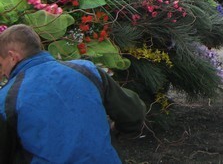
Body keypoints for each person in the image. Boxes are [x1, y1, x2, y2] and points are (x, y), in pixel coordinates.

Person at [0, 24, 146, 163]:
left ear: (13, 56)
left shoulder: (7, 99)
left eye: (1, 64)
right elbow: (133, 113)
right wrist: (115, 134)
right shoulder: (87, 70)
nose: (3, 72)